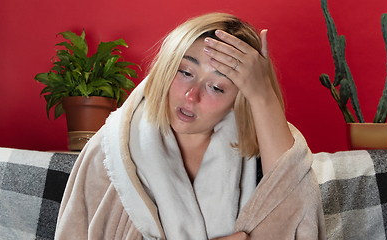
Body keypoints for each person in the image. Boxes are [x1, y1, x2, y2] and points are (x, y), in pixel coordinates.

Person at [55, 12, 325, 239]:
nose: (191, 96)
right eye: (185, 72)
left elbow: (298, 215)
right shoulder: (110, 150)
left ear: (237, 100)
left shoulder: (262, 155)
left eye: (217, 87)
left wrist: (263, 96)